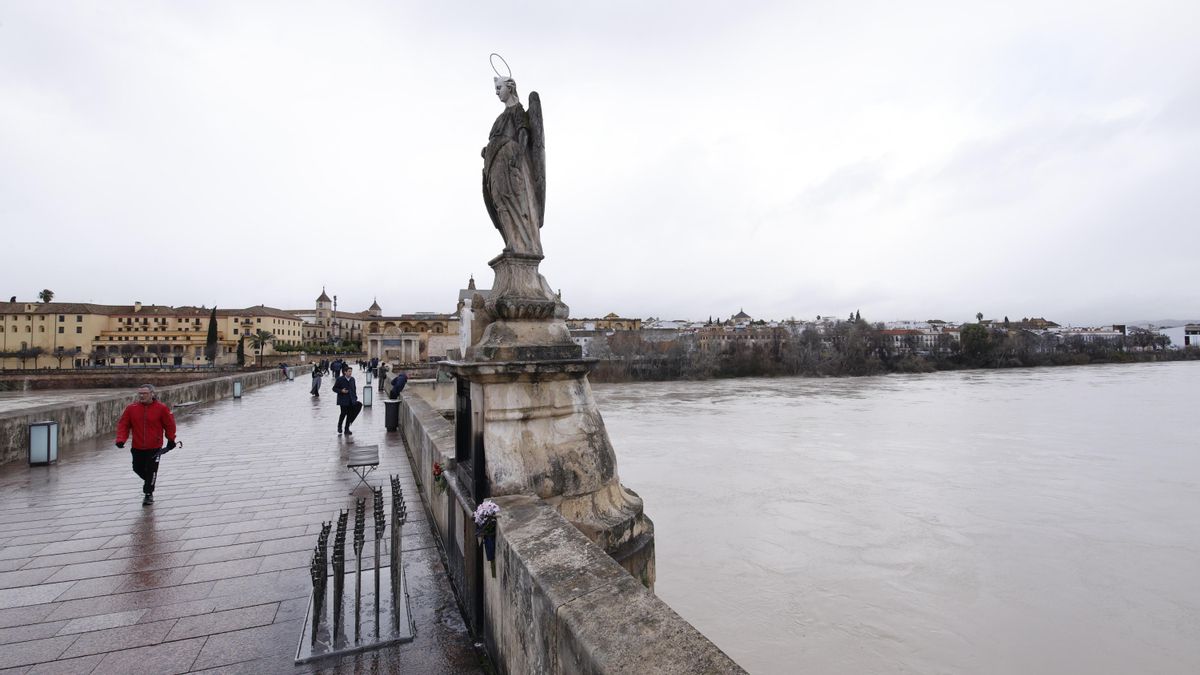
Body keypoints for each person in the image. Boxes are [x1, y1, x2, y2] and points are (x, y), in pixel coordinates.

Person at [482, 74, 546, 257]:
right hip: (496, 166)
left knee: (513, 202)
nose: (497, 93)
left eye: (499, 88)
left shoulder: (517, 110)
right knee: (499, 203)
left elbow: (523, 133)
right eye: (495, 89)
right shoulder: (501, 117)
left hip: (510, 165)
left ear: (510, 87)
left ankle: (523, 243)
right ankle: (511, 240)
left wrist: (518, 155)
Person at [115, 384, 177, 505]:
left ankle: (148, 494)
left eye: (145, 393)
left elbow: (169, 424)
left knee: (152, 470)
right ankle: (149, 481)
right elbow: (124, 425)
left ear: (152, 394)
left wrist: (171, 440)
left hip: (154, 447)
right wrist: (121, 439)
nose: (142, 396)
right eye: (140, 394)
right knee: (137, 468)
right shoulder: (131, 409)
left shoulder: (161, 408)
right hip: (137, 446)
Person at [333, 364, 361, 436]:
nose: (350, 373)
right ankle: (339, 426)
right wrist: (341, 391)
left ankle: (347, 429)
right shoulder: (340, 379)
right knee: (343, 414)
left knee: (349, 414)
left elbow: (354, 389)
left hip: (351, 400)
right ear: (345, 372)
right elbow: (334, 388)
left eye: (351, 371)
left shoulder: (352, 379)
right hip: (343, 400)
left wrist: (355, 398)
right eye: (349, 371)